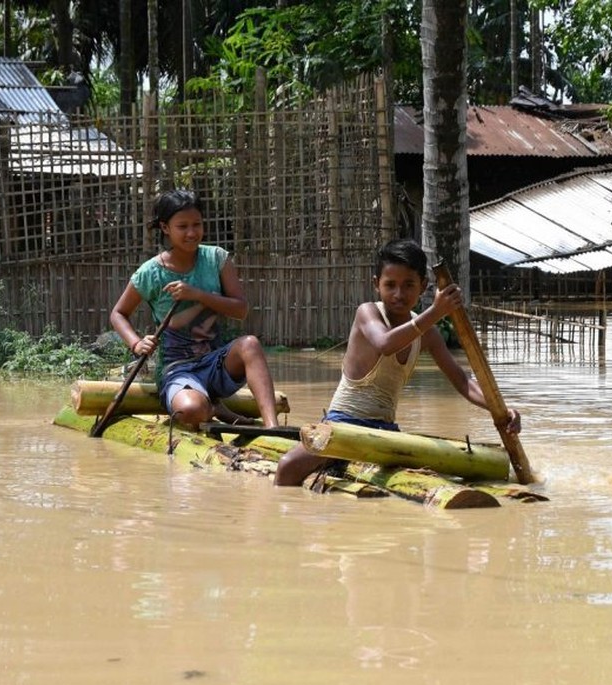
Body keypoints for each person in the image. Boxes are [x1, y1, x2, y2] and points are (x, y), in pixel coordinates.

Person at [275, 238, 521, 487]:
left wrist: (500, 409)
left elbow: (462, 381)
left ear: (423, 286)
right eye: (390, 285)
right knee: (286, 467)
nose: (399, 294)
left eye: (408, 285)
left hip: (386, 431)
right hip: (343, 424)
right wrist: (436, 312)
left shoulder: (429, 334)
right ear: (376, 284)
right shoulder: (367, 312)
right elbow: (385, 343)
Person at [109, 189, 280, 430]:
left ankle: (272, 427)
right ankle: (212, 407)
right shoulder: (151, 272)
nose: (192, 233)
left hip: (215, 363)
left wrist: (197, 294)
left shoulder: (216, 259)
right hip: (177, 369)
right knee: (191, 410)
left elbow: (240, 310)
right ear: (165, 227)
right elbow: (118, 313)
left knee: (250, 343)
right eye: (182, 226)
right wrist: (136, 343)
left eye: (197, 224)